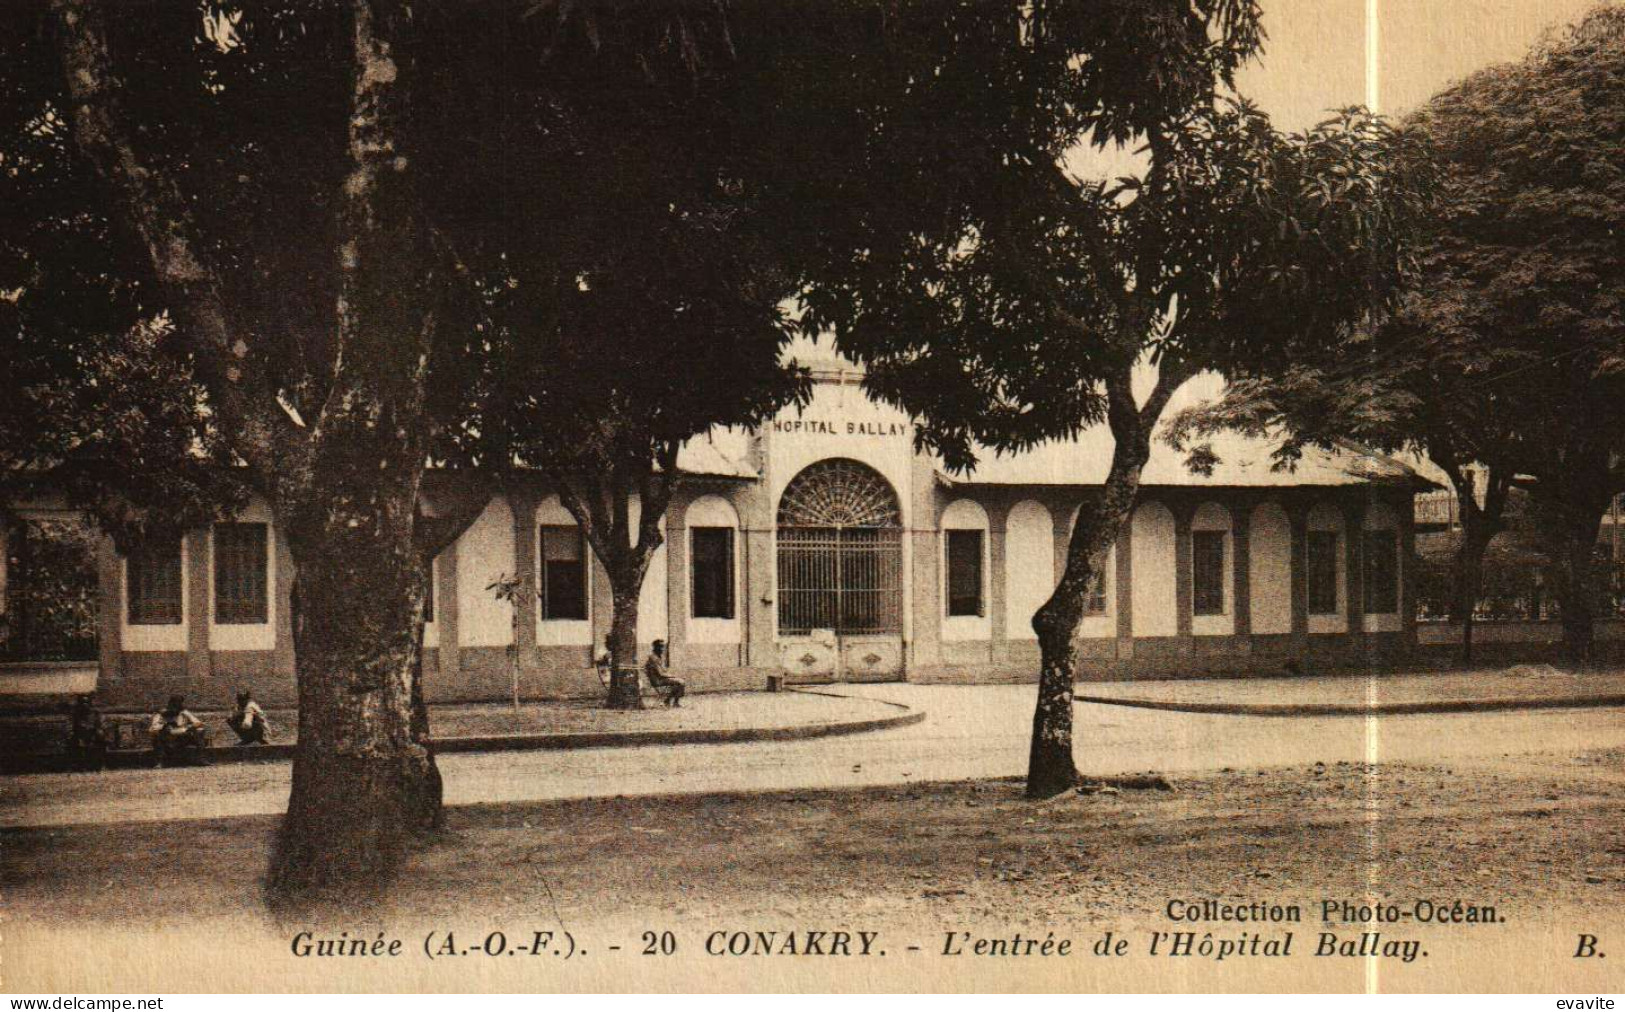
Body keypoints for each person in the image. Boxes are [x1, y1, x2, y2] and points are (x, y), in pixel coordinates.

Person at [149, 694, 208, 767]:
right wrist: (163, 726)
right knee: (158, 737)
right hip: (168, 737)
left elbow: (198, 723)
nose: (176, 705)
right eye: (174, 703)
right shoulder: (161, 713)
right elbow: (153, 727)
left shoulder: (184, 712)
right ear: (170, 703)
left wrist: (189, 727)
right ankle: (160, 762)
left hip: (183, 736)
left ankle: (200, 759)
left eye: (179, 703)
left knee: (199, 732)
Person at [64, 693, 109, 771]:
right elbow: (70, 725)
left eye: (87, 702)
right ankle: (78, 765)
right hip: (79, 735)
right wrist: (71, 733)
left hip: (92, 735)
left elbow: (101, 724)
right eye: (83, 702)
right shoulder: (75, 714)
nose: (85, 705)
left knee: (100, 738)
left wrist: (99, 730)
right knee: (75, 742)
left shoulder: (96, 713)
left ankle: (100, 764)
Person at [643, 639, 686, 707]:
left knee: (679, 683)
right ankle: (672, 702)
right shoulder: (653, 658)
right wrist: (673, 676)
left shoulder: (657, 657)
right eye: (660, 647)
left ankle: (669, 700)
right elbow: (661, 673)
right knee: (680, 682)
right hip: (657, 681)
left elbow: (663, 671)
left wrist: (672, 676)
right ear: (655, 647)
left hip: (660, 679)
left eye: (663, 647)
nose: (662, 649)